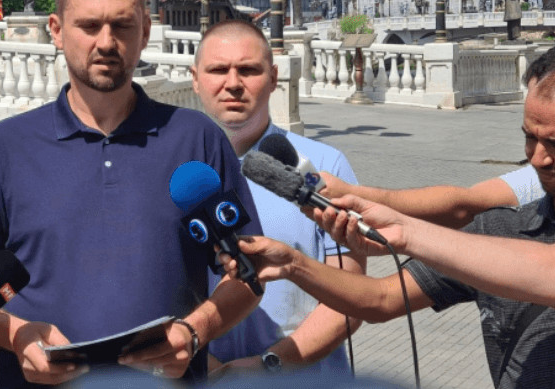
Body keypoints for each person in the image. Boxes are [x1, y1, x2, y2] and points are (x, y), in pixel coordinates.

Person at [0, 0, 263, 388]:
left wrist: (195, 331)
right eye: (89, 25)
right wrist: (16, 334)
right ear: (56, 30)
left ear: (145, 31)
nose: (106, 41)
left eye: (122, 25)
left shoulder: (197, 139)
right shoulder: (6, 147)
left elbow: (250, 272)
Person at [220, 50, 555, 388]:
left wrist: (404, 231)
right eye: (529, 137)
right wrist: (294, 265)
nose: (537, 159)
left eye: (553, 142)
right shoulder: (499, 228)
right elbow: (381, 298)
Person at [190, 20, 365, 377]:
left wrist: (268, 366)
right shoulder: (176, 174)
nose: (233, 83)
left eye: (248, 70)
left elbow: (351, 298)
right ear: (195, 79)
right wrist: (208, 370)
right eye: (218, 70)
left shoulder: (322, 168)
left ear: (273, 78)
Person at [317, 164, 543, 229]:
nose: (538, 158)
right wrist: (353, 194)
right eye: (530, 137)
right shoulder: (538, 178)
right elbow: (466, 205)